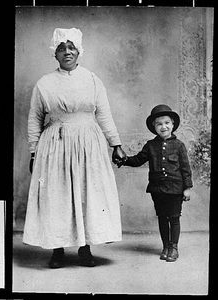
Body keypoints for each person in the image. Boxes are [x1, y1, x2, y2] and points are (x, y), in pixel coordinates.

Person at [23, 27, 126, 268]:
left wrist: (116, 144)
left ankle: (85, 248)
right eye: (61, 48)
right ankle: (57, 250)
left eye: (71, 48)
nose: (67, 52)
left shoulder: (92, 79)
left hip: (88, 143)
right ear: (54, 54)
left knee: (86, 192)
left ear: (79, 51)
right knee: (56, 195)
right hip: (55, 145)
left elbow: (104, 113)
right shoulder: (44, 84)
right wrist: (33, 150)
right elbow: (34, 118)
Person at [116, 104, 193, 262]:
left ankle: (174, 248)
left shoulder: (179, 146)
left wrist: (187, 188)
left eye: (166, 123)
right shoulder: (151, 145)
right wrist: (124, 160)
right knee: (162, 218)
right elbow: (138, 160)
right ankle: (165, 246)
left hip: (175, 189)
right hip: (157, 189)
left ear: (172, 124)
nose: (163, 127)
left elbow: (186, 168)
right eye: (159, 124)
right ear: (154, 127)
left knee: (174, 218)